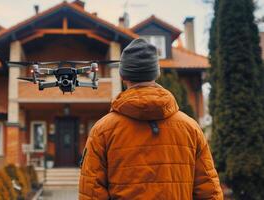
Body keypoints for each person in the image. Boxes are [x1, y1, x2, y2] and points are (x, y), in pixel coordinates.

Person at [79, 38, 223, 200]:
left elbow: (91, 194)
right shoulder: (191, 128)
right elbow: (210, 193)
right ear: (156, 73)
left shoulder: (102, 131)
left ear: (123, 76)